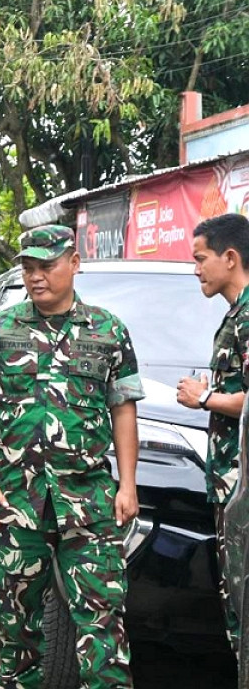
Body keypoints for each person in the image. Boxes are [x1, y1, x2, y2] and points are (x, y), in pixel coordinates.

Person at [0, 225, 143, 688]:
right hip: (16, 499)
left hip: (90, 498)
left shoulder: (107, 330)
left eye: (47, 265)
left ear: (74, 263)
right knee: (16, 623)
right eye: (29, 268)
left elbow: (123, 409)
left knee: (102, 619)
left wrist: (127, 484)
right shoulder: (1, 329)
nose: (36, 276)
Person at [176, 213, 249, 648]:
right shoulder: (236, 316)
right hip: (230, 484)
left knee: (244, 607)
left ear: (231, 257)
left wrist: (204, 399)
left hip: (243, 487)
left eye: (201, 258)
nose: (196, 269)